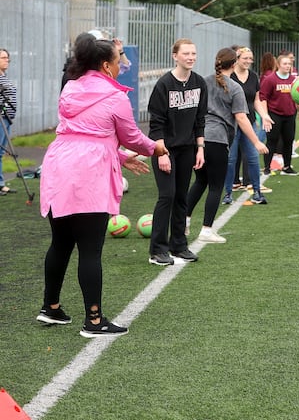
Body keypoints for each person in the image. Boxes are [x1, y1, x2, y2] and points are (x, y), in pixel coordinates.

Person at [36, 35, 168, 337]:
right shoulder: (115, 97)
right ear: (107, 65)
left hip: (59, 166)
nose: (122, 64)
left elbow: (83, 133)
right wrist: (157, 149)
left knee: (60, 242)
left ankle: (51, 308)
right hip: (88, 174)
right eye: (119, 59)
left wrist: (119, 157)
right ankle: (94, 321)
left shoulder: (71, 87)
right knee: (90, 250)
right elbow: (132, 137)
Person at [187, 48, 269, 242]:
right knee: (216, 186)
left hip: (198, 140)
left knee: (200, 181)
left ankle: (184, 220)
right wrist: (256, 141)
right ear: (234, 64)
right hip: (217, 140)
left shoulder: (203, 82)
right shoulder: (234, 87)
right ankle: (206, 230)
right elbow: (241, 117)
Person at [147, 38, 208, 266]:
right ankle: (157, 250)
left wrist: (200, 148)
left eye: (193, 53)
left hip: (188, 149)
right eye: (186, 53)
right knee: (167, 196)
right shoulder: (164, 84)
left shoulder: (199, 83)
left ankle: (179, 246)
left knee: (182, 197)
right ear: (175, 56)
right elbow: (156, 124)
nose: (191, 57)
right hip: (165, 149)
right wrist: (161, 153)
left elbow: (200, 120)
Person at [222, 46, 270, 205]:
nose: (249, 61)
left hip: (249, 123)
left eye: (251, 59)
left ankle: (257, 192)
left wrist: (264, 116)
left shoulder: (254, 76)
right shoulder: (229, 76)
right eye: (245, 58)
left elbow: (256, 100)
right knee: (230, 159)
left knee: (253, 158)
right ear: (236, 59)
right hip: (232, 125)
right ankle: (228, 193)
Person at [260, 54, 299, 176]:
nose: (288, 66)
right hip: (274, 114)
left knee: (288, 141)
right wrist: (265, 115)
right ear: (278, 65)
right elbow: (263, 98)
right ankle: (267, 167)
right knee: (272, 141)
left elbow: (298, 97)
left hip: (290, 115)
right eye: (285, 63)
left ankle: (287, 166)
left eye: (289, 64)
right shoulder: (270, 79)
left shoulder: (293, 81)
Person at [0, 48, 18, 195]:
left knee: (1, 153)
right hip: (1, 118)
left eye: (7, 58)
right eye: (3, 58)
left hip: (7, 119)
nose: (6, 60)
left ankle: (0, 183)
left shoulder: (4, 76)